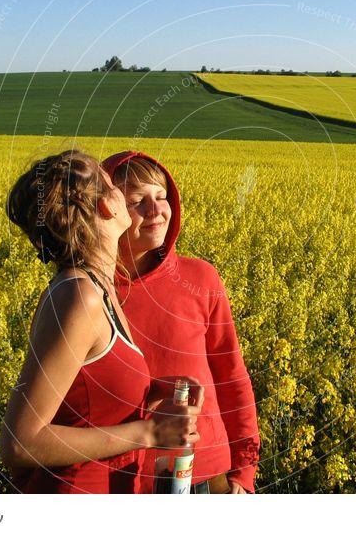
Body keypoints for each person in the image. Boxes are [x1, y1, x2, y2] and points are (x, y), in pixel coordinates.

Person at [1, 149, 202, 493]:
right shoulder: (80, 297)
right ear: (108, 207)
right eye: (113, 186)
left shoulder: (99, 288)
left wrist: (153, 391)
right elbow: (20, 442)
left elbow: (82, 402)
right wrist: (150, 433)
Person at [101, 151, 260, 494]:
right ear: (106, 210)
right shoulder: (89, 292)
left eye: (161, 197)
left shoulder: (200, 278)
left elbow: (232, 375)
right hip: (121, 480)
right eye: (137, 201)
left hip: (206, 473)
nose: (155, 210)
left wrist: (244, 469)